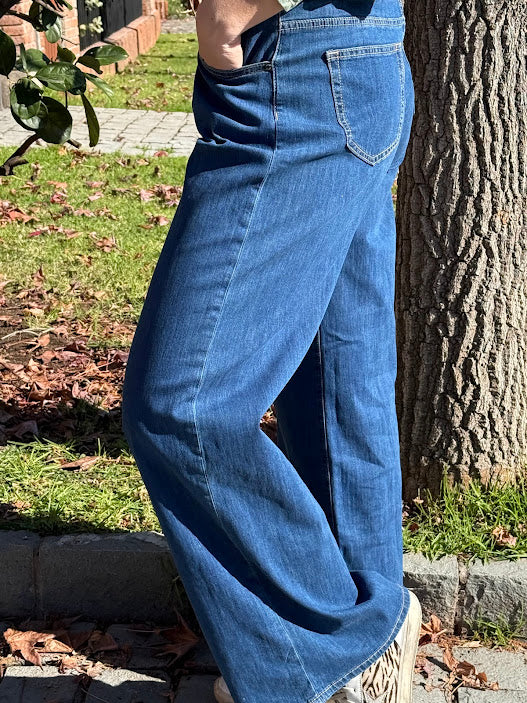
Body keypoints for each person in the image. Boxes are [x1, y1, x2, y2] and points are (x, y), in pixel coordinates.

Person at [121, 0, 422, 700]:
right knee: (337, 379)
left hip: (295, 64)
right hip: (352, 53)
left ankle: (336, 648)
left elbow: (184, 408)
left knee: (182, 403)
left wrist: (235, 12)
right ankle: (356, 659)